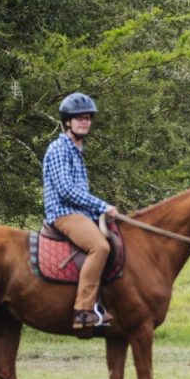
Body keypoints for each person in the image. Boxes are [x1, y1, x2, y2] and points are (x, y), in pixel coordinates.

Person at [42, 92, 118, 330]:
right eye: (78, 118)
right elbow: (66, 190)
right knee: (100, 247)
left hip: (79, 213)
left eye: (87, 118)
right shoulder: (59, 148)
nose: (84, 121)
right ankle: (83, 311)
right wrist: (102, 206)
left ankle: (105, 303)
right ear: (67, 122)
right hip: (64, 213)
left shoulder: (77, 149)